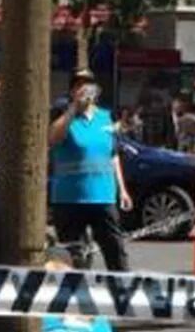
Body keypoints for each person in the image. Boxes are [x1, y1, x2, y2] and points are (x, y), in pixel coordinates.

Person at [48, 68, 133, 271]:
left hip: (103, 196)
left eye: (88, 85)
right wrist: (72, 110)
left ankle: (121, 291)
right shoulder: (62, 116)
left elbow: (113, 155)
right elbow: (53, 138)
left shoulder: (105, 117)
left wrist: (122, 190)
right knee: (71, 255)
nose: (83, 89)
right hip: (69, 198)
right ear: (71, 91)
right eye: (78, 85)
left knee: (115, 249)